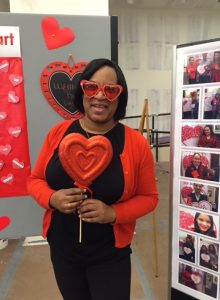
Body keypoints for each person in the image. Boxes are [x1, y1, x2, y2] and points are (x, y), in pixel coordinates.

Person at [27, 58, 158, 300]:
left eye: (110, 90)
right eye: (91, 87)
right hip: (63, 250)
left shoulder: (135, 143)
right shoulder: (58, 133)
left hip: (109, 255)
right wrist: (52, 198)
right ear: (82, 91)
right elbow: (34, 180)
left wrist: (113, 214)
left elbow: (149, 198)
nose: (100, 96)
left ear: (119, 97)